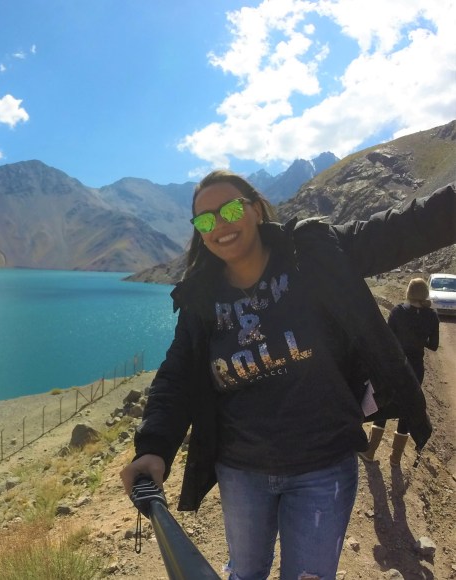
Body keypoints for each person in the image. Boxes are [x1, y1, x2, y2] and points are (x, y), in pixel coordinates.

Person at [119, 170, 456, 580]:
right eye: (205, 220)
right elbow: (178, 376)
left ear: (256, 210)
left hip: (323, 466)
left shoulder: (313, 254)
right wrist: (154, 446)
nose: (219, 225)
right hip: (241, 471)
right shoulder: (200, 298)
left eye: (230, 210)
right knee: (246, 572)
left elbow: (409, 225)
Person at [360, 278, 440, 466]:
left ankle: (370, 452)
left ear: (409, 292)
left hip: (395, 366)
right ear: (425, 293)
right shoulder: (432, 316)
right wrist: (419, 340)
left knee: (385, 404)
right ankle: (395, 459)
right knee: (407, 407)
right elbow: (434, 346)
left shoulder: (397, 312)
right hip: (416, 370)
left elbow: (387, 339)